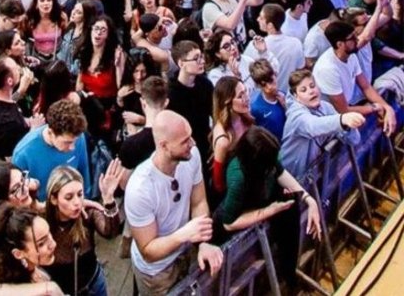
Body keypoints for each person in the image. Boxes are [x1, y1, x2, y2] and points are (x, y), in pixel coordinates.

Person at [124, 111, 223, 296]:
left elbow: (199, 201)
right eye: (184, 141)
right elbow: (148, 250)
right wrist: (185, 234)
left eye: (190, 136)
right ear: (164, 145)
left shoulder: (191, 155)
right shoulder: (140, 189)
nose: (192, 143)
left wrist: (202, 242)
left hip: (183, 253)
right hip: (156, 272)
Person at [213, 126, 321, 284]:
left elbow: (281, 173)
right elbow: (228, 223)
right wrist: (269, 211)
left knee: (291, 203)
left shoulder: (266, 155)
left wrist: (309, 199)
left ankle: (288, 274)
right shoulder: (238, 177)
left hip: (259, 199)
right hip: (234, 219)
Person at [44, 163, 123, 296]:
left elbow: (110, 232)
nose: (77, 202)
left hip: (93, 284)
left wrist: (108, 199)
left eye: (80, 194)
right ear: (54, 199)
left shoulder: (87, 213)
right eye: (69, 197)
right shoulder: (43, 222)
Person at [311, 20, 398, 137]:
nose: (357, 40)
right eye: (352, 38)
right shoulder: (327, 69)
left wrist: (387, 107)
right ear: (340, 44)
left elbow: (366, 87)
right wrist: (374, 107)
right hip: (331, 121)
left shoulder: (351, 55)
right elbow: (343, 110)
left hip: (346, 109)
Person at [280, 68, 365, 181]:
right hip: (289, 177)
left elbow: (354, 140)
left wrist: (349, 127)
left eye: (312, 85)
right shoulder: (296, 116)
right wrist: (342, 119)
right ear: (296, 97)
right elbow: (313, 126)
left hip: (312, 175)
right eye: (303, 90)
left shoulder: (326, 107)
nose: (311, 91)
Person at [11, 100, 93, 201]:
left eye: (74, 141)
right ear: (50, 132)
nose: (73, 148)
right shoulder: (23, 154)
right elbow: (19, 196)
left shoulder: (78, 137)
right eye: (67, 142)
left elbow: (83, 172)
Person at [0, 206, 64, 295]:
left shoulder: (39, 274)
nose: (53, 244)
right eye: (41, 244)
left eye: (49, 234)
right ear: (18, 254)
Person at [166, 40, 214, 164]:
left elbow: (215, 113)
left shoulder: (205, 84)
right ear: (181, 63)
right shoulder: (171, 93)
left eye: (201, 57)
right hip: (184, 148)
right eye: (196, 59)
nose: (202, 61)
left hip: (206, 143)